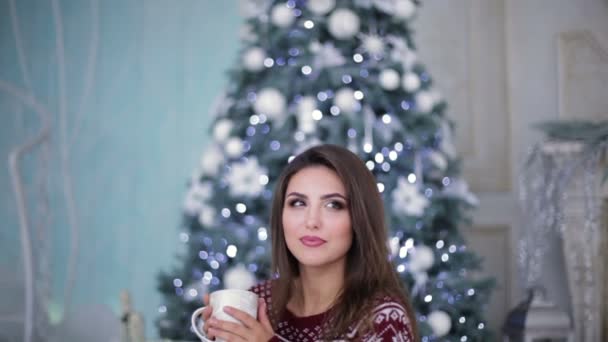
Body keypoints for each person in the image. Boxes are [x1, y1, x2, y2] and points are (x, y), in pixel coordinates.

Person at [200, 144, 418, 341]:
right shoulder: (259, 303)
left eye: (333, 205)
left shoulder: (385, 319)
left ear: (359, 219)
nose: (312, 221)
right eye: (298, 203)